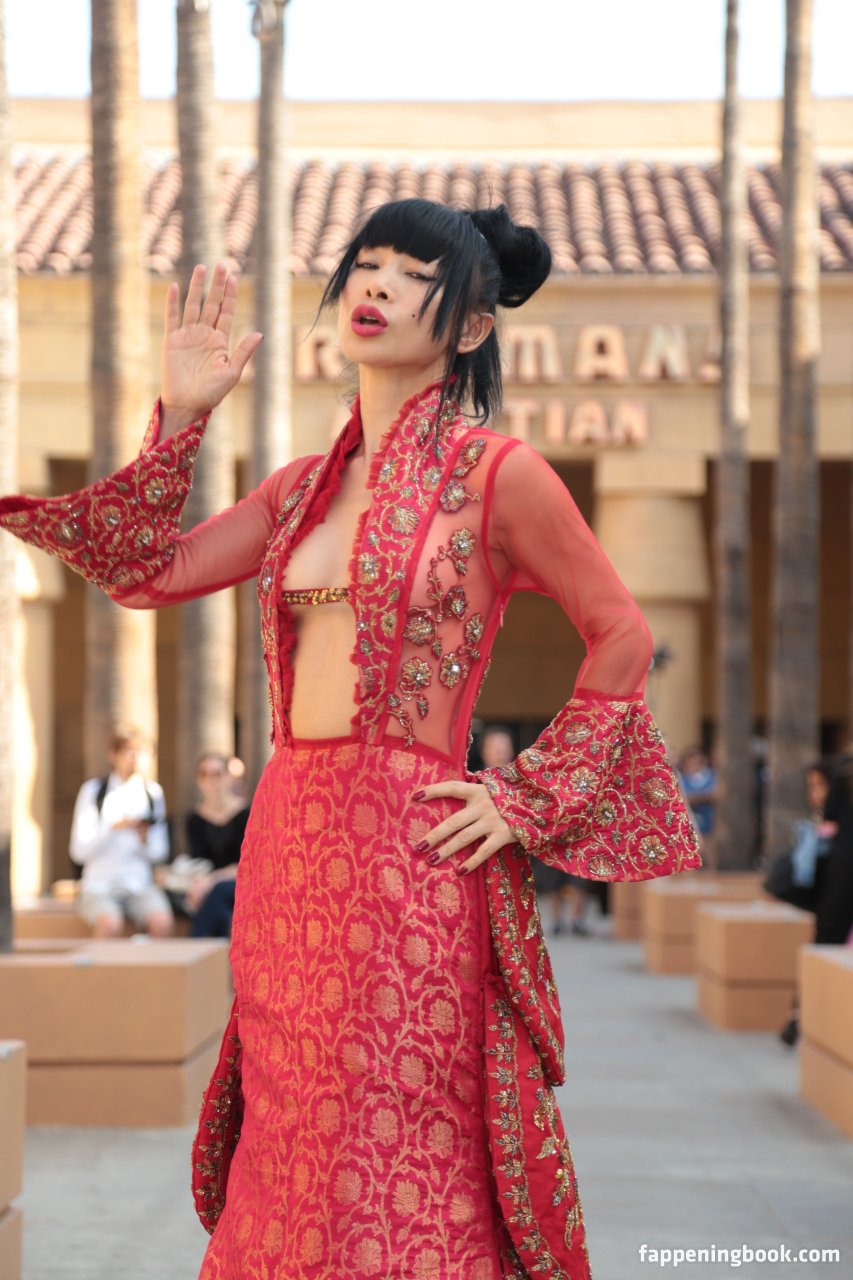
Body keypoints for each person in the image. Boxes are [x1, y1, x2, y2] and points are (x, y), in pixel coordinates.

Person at [0, 199, 702, 1280]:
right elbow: (144, 572)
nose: (375, 284)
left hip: (410, 865)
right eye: (364, 263)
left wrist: (519, 797)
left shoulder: (499, 473)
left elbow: (623, 633)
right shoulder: (295, 492)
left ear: (471, 326)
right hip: (286, 856)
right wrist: (179, 415)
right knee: (291, 1144)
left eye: (413, 273)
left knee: (397, 1149)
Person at [68, 726, 173, 938]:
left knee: (162, 924)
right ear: (113, 755)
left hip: (139, 885)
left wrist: (144, 840)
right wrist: (112, 828)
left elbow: (160, 853)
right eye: (129, 751)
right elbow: (78, 852)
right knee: (109, 925)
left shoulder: (152, 793)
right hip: (98, 887)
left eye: (141, 752)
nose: (135, 758)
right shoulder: (94, 791)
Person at [183, 751, 251, 939]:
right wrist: (198, 884)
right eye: (204, 775)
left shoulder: (246, 814)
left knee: (219, 891)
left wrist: (211, 881)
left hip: (242, 883)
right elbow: (198, 862)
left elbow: (247, 864)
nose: (211, 780)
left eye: (217, 774)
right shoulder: (194, 819)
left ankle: (193, 945)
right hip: (209, 888)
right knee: (221, 914)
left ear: (229, 777)